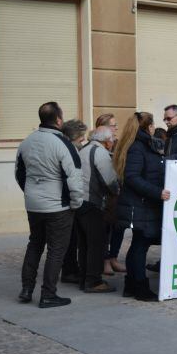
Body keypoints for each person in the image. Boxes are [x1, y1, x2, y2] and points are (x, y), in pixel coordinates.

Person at [15, 102, 83, 308]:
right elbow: (75, 177)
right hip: (58, 207)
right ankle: (48, 295)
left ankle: (26, 290)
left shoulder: (26, 142)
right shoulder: (63, 143)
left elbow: (19, 173)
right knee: (56, 250)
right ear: (59, 120)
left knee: (34, 244)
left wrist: (30, 193)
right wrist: (75, 203)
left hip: (33, 204)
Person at [114, 111, 170, 301]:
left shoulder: (142, 144)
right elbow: (132, 178)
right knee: (140, 245)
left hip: (143, 204)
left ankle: (132, 285)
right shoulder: (138, 147)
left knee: (139, 244)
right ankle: (139, 287)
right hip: (140, 205)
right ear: (149, 126)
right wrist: (157, 192)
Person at [76, 126, 119, 293]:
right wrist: (117, 192)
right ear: (106, 141)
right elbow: (109, 180)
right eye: (112, 139)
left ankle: (84, 278)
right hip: (92, 203)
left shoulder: (85, 149)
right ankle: (93, 281)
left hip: (80, 202)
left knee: (85, 243)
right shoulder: (99, 152)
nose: (113, 141)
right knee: (96, 243)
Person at [95, 113, 126, 277]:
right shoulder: (99, 145)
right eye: (113, 125)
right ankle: (105, 260)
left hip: (119, 191)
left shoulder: (118, 144)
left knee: (118, 227)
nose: (116, 129)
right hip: (105, 193)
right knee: (106, 228)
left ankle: (114, 256)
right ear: (104, 127)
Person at [60, 119, 89, 284]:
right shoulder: (69, 152)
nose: (83, 141)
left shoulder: (67, 148)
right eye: (81, 138)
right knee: (69, 240)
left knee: (70, 239)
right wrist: (77, 202)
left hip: (65, 200)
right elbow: (73, 179)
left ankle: (70, 269)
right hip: (68, 202)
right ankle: (69, 271)